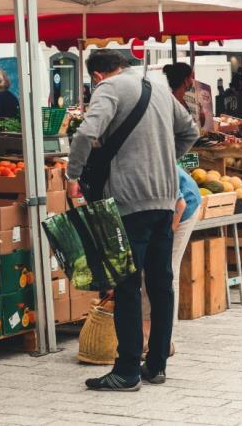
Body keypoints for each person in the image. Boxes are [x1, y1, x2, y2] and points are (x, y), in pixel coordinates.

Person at [66, 50, 199, 391]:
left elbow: (84, 134)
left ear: (98, 74)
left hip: (129, 200)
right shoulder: (157, 87)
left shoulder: (109, 89)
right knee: (160, 283)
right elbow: (191, 132)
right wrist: (165, 160)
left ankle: (126, 370)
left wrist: (73, 174)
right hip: (165, 198)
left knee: (126, 283)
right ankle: (155, 365)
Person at [141, 165, 201, 357]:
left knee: (167, 269)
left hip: (183, 208)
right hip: (160, 209)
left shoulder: (152, 168)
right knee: (146, 270)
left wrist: (168, 232)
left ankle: (165, 337)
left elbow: (180, 205)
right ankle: (147, 331)